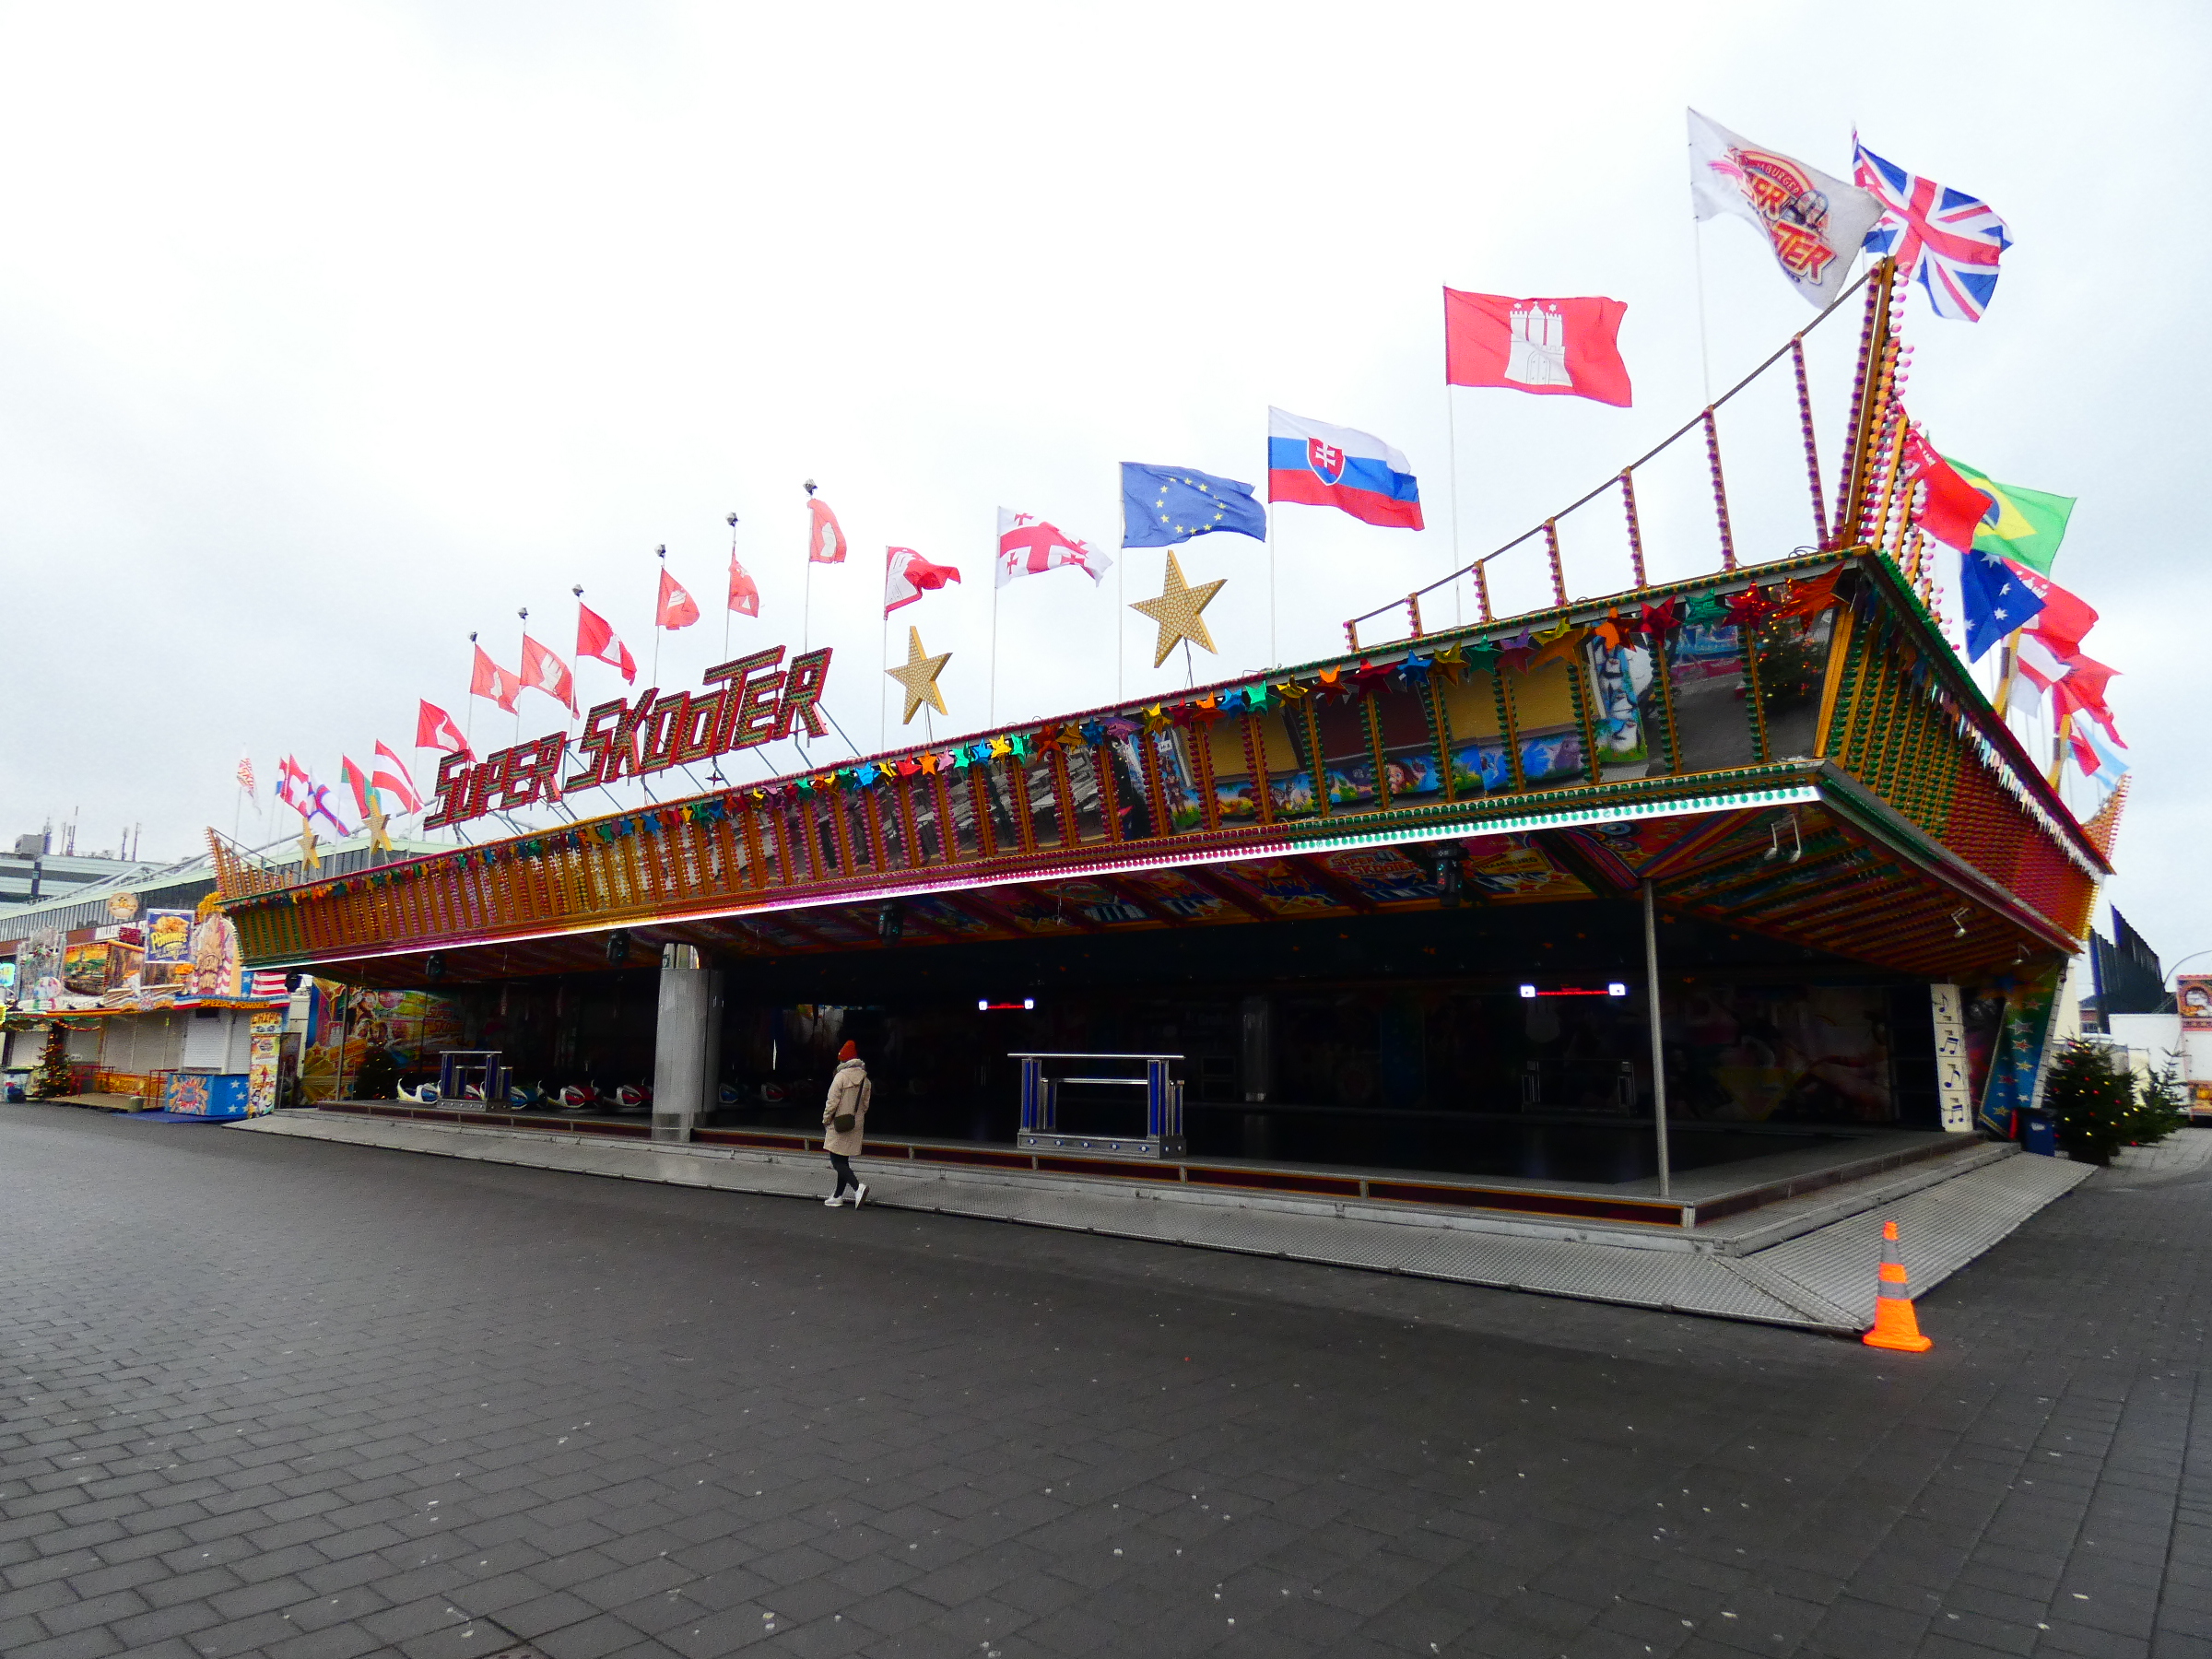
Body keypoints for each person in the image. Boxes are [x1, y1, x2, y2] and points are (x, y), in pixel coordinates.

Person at [821, 1040, 871, 1206]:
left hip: (839, 1123)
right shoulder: (865, 1080)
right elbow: (865, 1105)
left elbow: (831, 1102)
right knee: (843, 1159)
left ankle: (858, 1187)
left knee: (836, 1161)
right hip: (855, 1124)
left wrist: (826, 1120)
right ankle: (837, 1196)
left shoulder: (840, 1077)